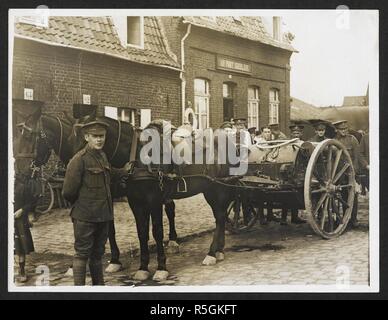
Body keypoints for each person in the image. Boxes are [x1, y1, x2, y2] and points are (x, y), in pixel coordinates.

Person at [63, 120, 129, 286]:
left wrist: (124, 171)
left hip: (103, 216)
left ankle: (98, 288)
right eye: (95, 136)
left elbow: (110, 173)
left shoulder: (102, 156)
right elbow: (68, 192)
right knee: (82, 254)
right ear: (86, 137)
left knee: (98, 254)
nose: (99, 140)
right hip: (85, 217)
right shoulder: (79, 160)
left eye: (102, 136)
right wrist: (84, 206)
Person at [14, 168, 41, 283]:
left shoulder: (22, 187)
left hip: (18, 220)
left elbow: (31, 203)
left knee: (19, 247)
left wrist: (22, 210)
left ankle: (21, 270)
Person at [333, 120, 362, 227]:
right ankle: (345, 219)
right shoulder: (334, 141)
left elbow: (357, 156)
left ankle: (353, 220)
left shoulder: (352, 139)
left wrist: (354, 172)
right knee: (343, 197)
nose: (344, 131)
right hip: (339, 173)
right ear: (337, 130)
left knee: (353, 196)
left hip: (351, 171)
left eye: (345, 129)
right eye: (341, 129)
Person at [280, 123, 306, 225]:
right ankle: (283, 218)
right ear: (291, 134)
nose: (296, 134)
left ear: (301, 133)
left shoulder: (304, 144)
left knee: (296, 196)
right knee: (285, 196)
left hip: (301, 172)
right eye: (294, 132)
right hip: (289, 171)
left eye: (298, 133)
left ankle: (295, 217)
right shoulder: (286, 144)